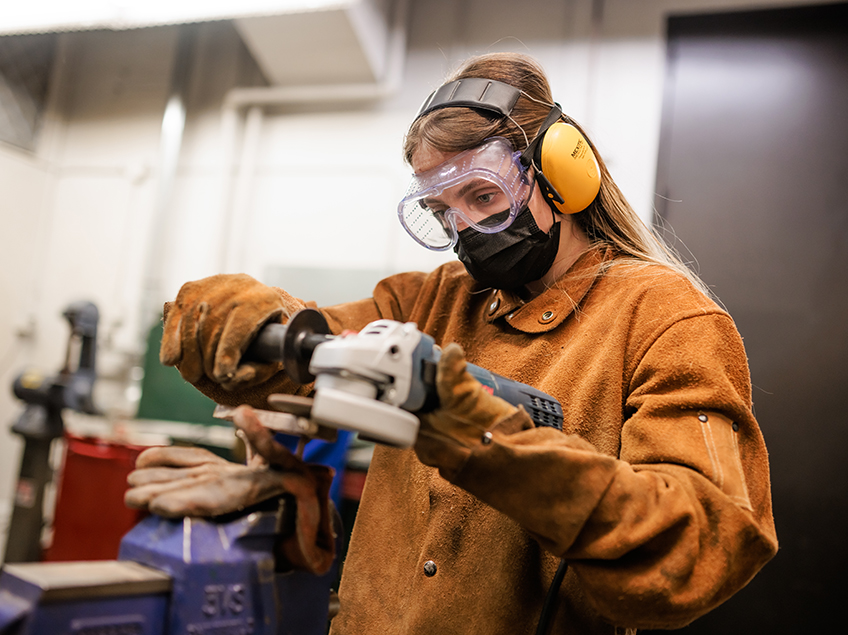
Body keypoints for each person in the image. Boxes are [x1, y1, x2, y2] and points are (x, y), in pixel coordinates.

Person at [126, 52, 777, 634]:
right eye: (442, 212)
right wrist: (245, 319)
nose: (465, 231)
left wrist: (484, 436)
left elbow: (696, 548)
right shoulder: (429, 300)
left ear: (562, 176)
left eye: (483, 196)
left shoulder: (666, 316)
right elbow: (307, 345)